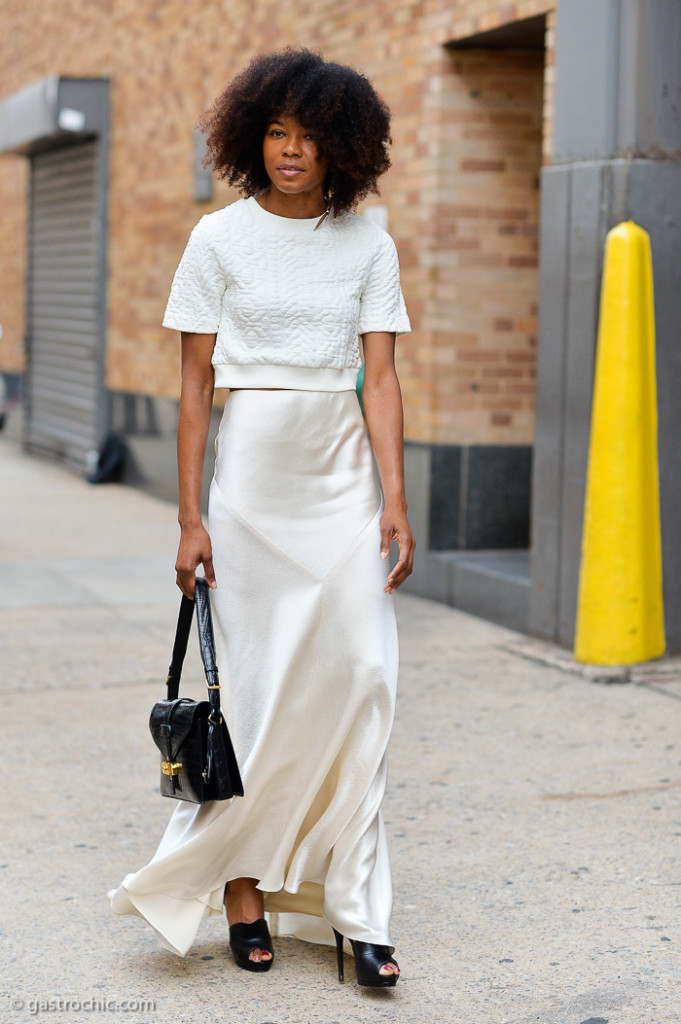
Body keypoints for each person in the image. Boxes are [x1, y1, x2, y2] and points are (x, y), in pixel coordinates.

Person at [108, 47, 414, 989]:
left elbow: (384, 376)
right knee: (253, 690)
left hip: (338, 482)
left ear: (340, 147)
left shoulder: (368, 239)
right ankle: (241, 890)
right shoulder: (218, 239)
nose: (290, 150)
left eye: (308, 135)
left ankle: (360, 911)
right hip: (249, 487)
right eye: (276, 132)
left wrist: (394, 497)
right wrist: (188, 519)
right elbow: (194, 386)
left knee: (361, 676)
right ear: (252, 141)